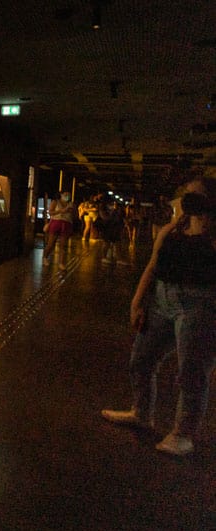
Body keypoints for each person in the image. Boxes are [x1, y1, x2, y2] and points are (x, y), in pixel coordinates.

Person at [101, 178, 216, 456]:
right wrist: (138, 300)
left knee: (192, 372)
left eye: (197, 197)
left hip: (201, 305)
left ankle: (183, 434)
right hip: (163, 301)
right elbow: (153, 266)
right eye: (187, 195)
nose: (190, 201)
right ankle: (141, 412)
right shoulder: (171, 230)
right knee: (141, 360)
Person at [42, 191, 74, 268]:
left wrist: (72, 211)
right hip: (56, 223)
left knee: (63, 245)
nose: (67, 196)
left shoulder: (71, 204)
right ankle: (45, 257)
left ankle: (61, 263)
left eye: (68, 195)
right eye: (65, 194)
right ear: (61, 195)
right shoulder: (55, 202)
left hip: (66, 224)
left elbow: (74, 214)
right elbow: (50, 212)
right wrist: (61, 211)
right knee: (51, 243)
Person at [98, 200, 125, 265]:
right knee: (107, 243)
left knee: (117, 243)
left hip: (113, 228)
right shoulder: (104, 209)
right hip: (107, 228)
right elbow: (105, 218)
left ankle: (119, 258)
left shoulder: (112, 209)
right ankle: (104, 257)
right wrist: (112, 214)